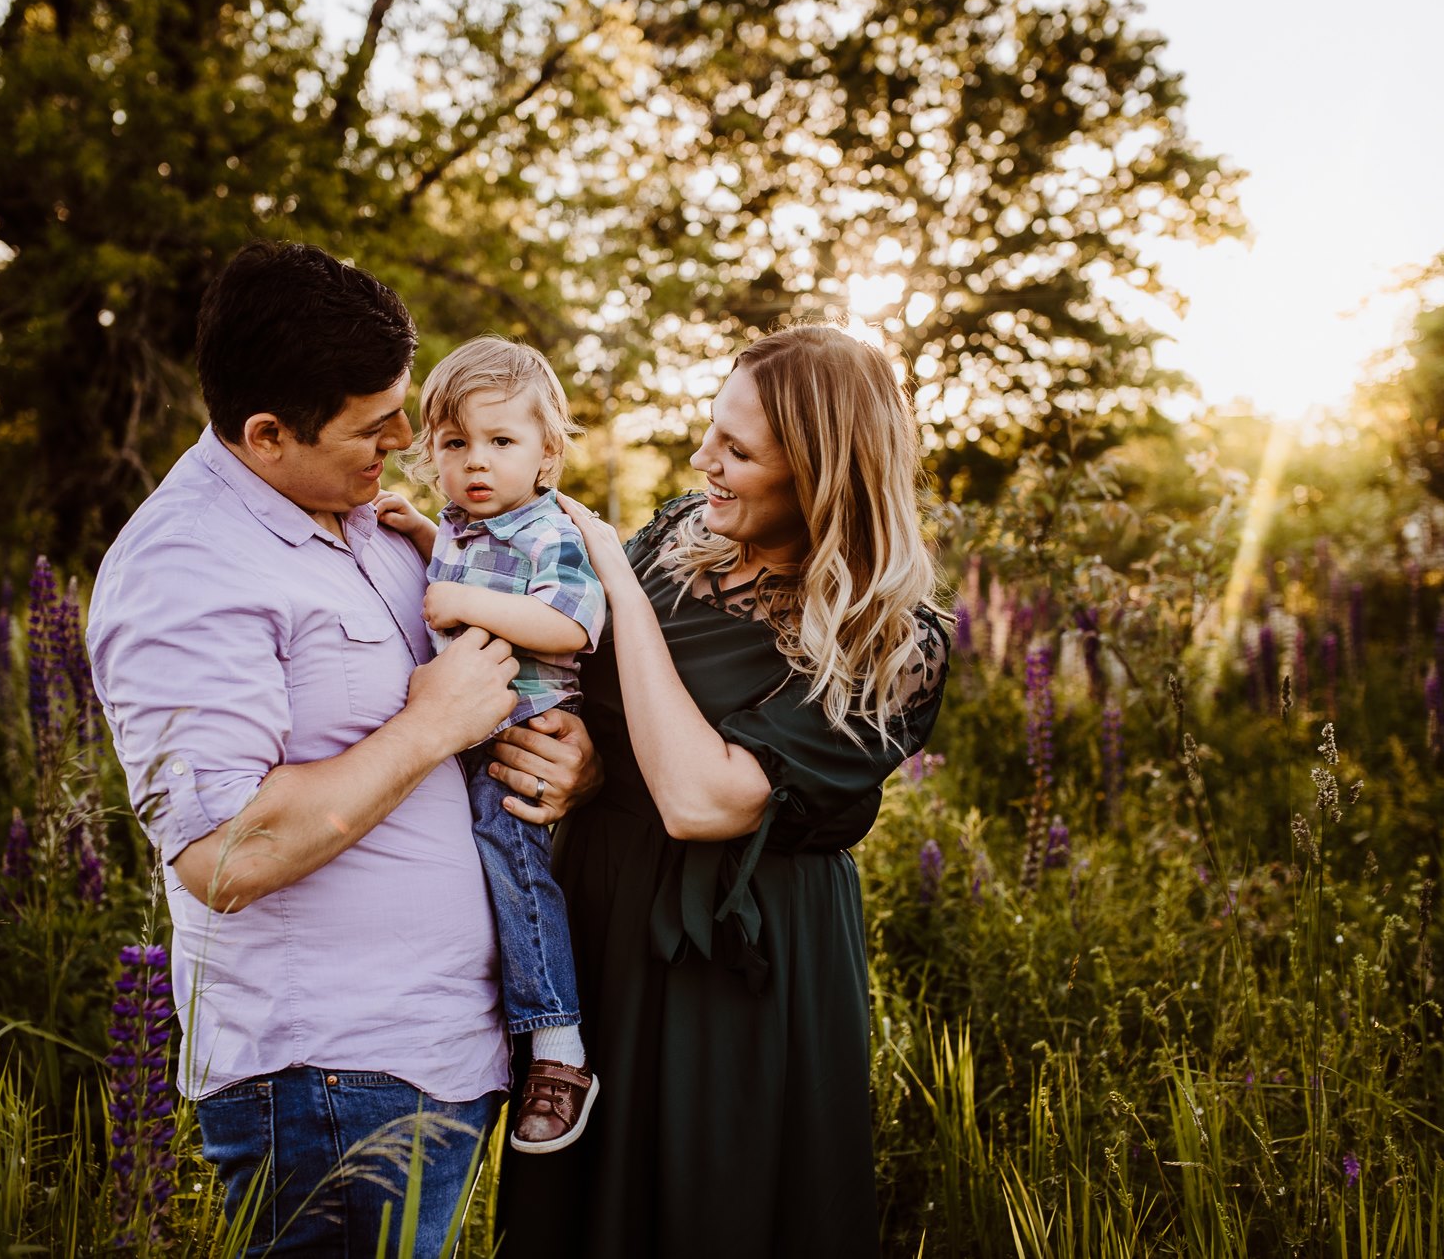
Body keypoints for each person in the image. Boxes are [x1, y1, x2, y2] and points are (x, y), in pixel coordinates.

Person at [86, 242, 600, 1257]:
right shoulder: (182, 569)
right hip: (326, 1080)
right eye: (374, 427)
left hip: (440, 1051)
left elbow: (496, 666)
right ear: (267, 433)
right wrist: (431, 724)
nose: (406, 441)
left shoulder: (360, 515)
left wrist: (570, 754)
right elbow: (224, 854)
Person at [498, 325, 951, 1258]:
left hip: (737, 961)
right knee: (573, 1211)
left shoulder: (894, 642)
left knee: (713, 1202)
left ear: (824, 476)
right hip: (599, 909)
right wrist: (584, 761)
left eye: (737, 451)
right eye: (711, 430)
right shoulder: (677, 534)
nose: (703, 459)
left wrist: (620, 587)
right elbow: (579, 667)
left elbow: (705, 800)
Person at [374, 336, 608, 1154]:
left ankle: (558, 1044)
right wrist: (416, 538)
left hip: (520, 739)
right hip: (470, 732)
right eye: (455, 443)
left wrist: (455, 591)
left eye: (502, 441)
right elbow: (460, 578)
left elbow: (569, 623)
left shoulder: (549, 531)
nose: (477, 462)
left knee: (514, 865)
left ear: (548, 455)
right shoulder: (465, 528)